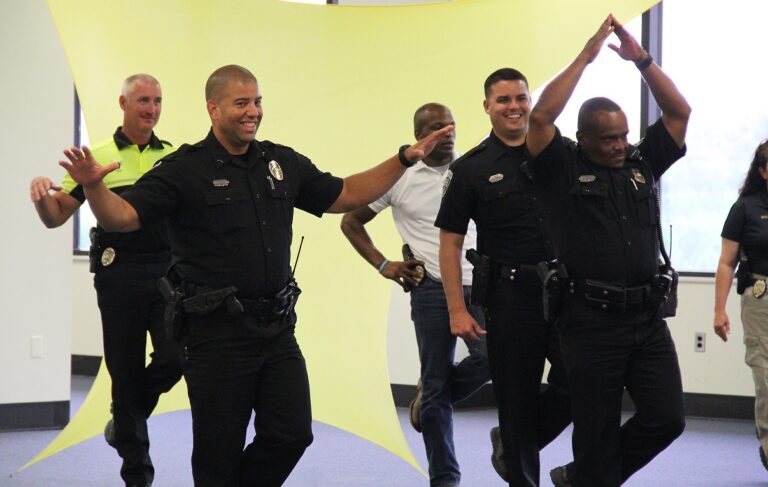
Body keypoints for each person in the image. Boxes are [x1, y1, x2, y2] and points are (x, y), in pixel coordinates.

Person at [58, 64, 454, 487]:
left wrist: (403, 158)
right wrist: (94, 188)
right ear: (213, 108)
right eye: (241, 103)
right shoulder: (184, 169)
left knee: (293, 434)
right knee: (218, 458)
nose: (253, 111)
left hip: (276, 329)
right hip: (216, 335)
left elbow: (347, 193)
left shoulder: (280, 162)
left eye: (257, 102)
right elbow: (122, 217)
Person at [525, 15, 691, 487]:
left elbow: (679, 113)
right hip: (590, 324)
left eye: (622, 136)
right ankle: (590, 475)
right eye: (608, 139)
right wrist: (586, 57)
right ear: (584, 139)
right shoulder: (560, 167)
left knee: (667, 419)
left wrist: (643, 61)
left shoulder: (641, 163)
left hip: (646, 318)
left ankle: (583, 478)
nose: (619, 146)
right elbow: (540, 118)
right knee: (595, 435)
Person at [29, 74, 182, 487]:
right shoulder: (94, 158)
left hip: (169, 276)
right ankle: (137, 477)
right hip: (120, 277)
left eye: (157, 101)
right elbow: (56, 216)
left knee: (175, 357)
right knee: (124, 372)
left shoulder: (175, 157)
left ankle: (124, 418)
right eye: (143, 100)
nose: (152, 109)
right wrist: (41, 196)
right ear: (123, 103)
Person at [340, 103, 490, 487]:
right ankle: (445, 477)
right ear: (419, 135)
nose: (447, 132)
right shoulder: (400, 176)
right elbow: (351, 221)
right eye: (437, 127)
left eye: (451, 125)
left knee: (491, 359)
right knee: (436, 381)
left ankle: (432, 400)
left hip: (481, 286)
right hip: (431, 290)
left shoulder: (472, 167)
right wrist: (383, 264)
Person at [434, 68, 571, 487]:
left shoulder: (561, 152)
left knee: (580, 383)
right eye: (504, 100)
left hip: (564, 294)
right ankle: (518, 460)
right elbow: (450, 244)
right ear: (487, 107)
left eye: (521, 98)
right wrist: (457, 310)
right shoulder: (470, 169)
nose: (514, 107)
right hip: (510, 299)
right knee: (516, 401)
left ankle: (513, 443)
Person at [714, 139, 768, 471]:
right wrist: (719, 310)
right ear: (763, 172)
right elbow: (726, 263)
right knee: (766, 378)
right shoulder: (745, 208)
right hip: (761, 300)